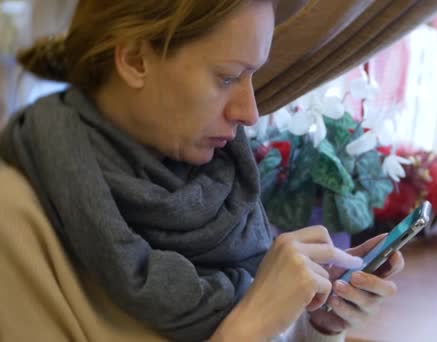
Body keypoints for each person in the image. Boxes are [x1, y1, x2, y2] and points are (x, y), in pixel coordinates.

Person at [0, 1, 405, 341]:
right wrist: (248, 327)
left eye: (253, 76)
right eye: (228, 76)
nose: (249, 112)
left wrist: (312, 321)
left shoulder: (222, 182)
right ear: (136, 60)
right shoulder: (14, 219)